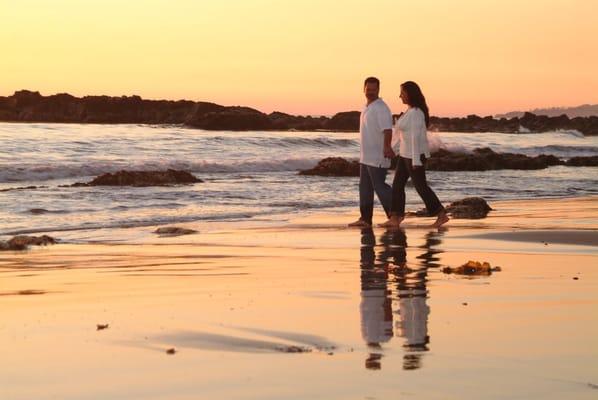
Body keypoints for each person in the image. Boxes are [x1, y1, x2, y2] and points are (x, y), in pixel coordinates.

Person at [380, 81, 449, 228]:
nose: (400, 96)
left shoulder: (416, 113)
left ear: (410, 94)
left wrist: (416, 161)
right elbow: (402, 135)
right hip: (406, 155)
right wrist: (391, 148)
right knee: (397, 186)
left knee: (421, 187)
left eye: (402, 93)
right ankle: (396, 218)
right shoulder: (410, 111)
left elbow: (416, 137)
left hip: (414, 156)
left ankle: (441, 215)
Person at [348, 77, 395, 228]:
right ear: (364, 89)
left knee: (380, 187)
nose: (371, 92)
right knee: (365, 188)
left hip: (378, 156)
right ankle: (365, 219)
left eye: (374, 90)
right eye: (368, 89)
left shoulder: (381, 107)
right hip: (366, 156)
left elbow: (388, 130)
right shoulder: (367, 107)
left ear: (378, 90)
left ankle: (394, 216)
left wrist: (387, 147)